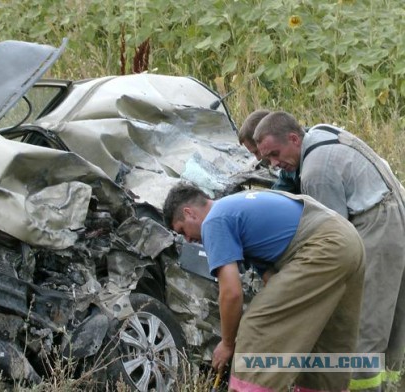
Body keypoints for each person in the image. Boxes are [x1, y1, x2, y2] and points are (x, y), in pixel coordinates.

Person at [254, 111, 405, 391]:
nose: (275, 165)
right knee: (392, 319)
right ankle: (392, 385)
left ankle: (365, 388)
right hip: (395, 215)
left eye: (274, 154)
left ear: (293, 138)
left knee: (364, 325)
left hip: (377, 226)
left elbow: (335, 242)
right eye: (267, 160)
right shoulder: (322, 133)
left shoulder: (315, 172)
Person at [163, 183, 365, 391]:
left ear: (189, 213)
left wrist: (228, 343)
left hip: (323, 245)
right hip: (348, 241)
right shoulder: (240, 206)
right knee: (323, 339)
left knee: (256, 326)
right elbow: (274, 280)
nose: (187, 239)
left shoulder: (214, 221)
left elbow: (231, 293)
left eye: (182, 230)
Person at [238, 109, 299, 193]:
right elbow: (277, 194)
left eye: (256, 152)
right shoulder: (288, 167)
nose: (258, 159)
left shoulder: (307, 164)